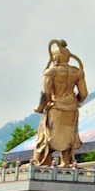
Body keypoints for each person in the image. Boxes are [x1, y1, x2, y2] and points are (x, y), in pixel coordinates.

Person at [33, 39, 89, 167]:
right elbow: (84, 94)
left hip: (56, 107)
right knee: (68, 134)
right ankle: (65, 161)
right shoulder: (77, 73)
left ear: (56, 57)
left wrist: (40, 108)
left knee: (46, 136)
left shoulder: (51, 72)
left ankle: (42, 162)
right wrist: (76, 101)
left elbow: (46, 94)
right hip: (71, 108)